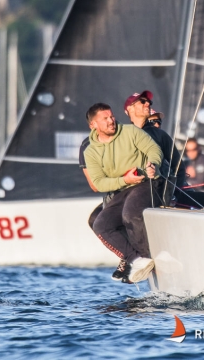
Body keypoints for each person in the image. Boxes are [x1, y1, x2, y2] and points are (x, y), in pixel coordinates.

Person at [83, 102, 163, 284]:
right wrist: (125, 180)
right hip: (123, 189)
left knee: (130, 214)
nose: (112, 121)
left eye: (111, 116)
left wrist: (152, 164)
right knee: (100, 224)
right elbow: (98, 183)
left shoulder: (130, 132)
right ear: (93, 125)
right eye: (105, 119)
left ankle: (145, 254)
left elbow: (153, 149)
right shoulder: (90, 151)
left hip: (148, 183)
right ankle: (137, 261)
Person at [122, 91, 187, 203]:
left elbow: (178, 168)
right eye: (142, 101)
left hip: (155, 193)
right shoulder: (122, 135)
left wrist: (174, 193)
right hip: (126, 192)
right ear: (129, 109)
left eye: (149, 102)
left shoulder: (160, 135)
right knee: (96, 218)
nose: (147, 104)